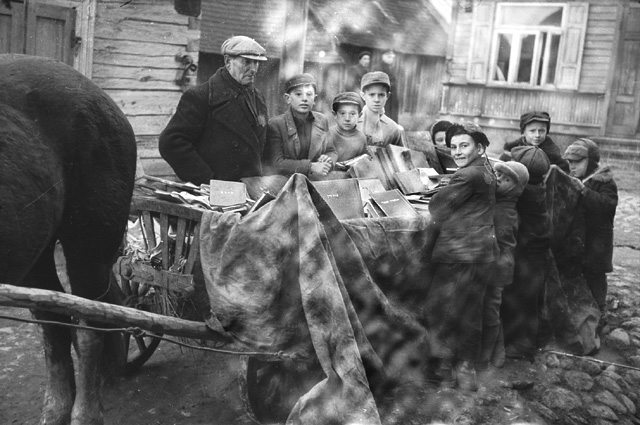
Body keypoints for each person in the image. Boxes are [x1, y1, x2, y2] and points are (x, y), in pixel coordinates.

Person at [424, 122, 498, 391]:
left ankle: (440, 371)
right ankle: (466, 372)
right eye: (453, 146)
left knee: (439, 309)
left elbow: (437, 208)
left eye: (464, 145)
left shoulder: (467, 175)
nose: (457, 151)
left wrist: (443, 190)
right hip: (481, 253)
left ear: (479, 147)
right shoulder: (486, 169)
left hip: (459, 253)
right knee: (470, 313)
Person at [159, 35, 269, 185]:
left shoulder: (258, 98)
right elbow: (171, 143)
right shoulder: (202, 96)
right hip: (217, 193)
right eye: (247, 62)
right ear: (228, 61)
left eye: (256, 63)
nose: (253, 69)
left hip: (251, 189)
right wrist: (207, 181)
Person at [501, 146, 552, 361]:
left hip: (525, 250)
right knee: (532, 297)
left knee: (519, 297)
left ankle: (521, 344)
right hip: (537, 251)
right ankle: (533, 337)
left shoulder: (522, 192)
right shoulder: (540, 187)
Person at [479, 160, 529, 372]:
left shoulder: (506, 211)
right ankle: (495, 350)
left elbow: (497, 240)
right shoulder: (499, 202)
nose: (499, 180)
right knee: (490, 307)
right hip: (496, 264)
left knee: (490, 308)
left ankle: (490, 353)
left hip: (497, 266)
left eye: (506, 179)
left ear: (516, 189)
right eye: (498, 175)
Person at [564, 138, 618, 328]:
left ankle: (600, 312)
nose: (572, 166)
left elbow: (608, 206)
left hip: (596, 243)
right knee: (577, 276)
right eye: (570, 162)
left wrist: (584, 192)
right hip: (579, 241)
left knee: (595, 278)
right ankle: (581, 313)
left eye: (577, 162)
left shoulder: (604, 181)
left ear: (592, 162)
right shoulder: (574, 179)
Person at [265, 73, 336, 179]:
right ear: (288, 98)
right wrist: (310, 166)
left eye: (309, 94)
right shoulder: (276, 124)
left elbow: (331, 150)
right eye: (298, 94)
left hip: (316, 180)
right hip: (286, 182)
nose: (304, 99)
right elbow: (276, 163)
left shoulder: (322, 120)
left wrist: (328, 159)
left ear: (315, 99)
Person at [500, 111, 570, 173]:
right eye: (532, 131)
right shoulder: (512, 150)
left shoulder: (552, 154)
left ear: (546, 132)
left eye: (541, 131)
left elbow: (564, 172)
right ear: (523, 132)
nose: (537, 135)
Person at [357, 71, 404, 148]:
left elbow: (400, 158)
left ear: (387, 96)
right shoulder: (351, 123)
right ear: (363, 95)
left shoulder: (393, 129)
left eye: (381, 95)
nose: (376, 99)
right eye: (371, 95)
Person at [328, 92, 367, 163]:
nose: (347, 118)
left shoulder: (361, 138)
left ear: (359, 115)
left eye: (352, 114)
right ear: (335, 115)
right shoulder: (328, 135)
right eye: (342, 113)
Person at [376, 49, 399, 122]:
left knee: (392, 117)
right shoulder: (378, 67)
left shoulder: (390, 68)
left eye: (392, 57)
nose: (391, 59)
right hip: (383, 96)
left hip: (391, 97)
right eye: (389, 57)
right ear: (383, 57)